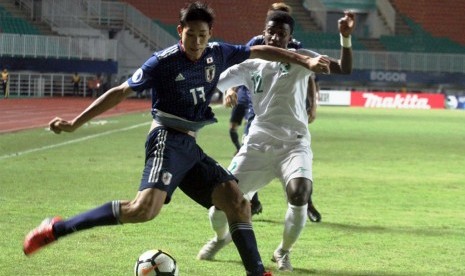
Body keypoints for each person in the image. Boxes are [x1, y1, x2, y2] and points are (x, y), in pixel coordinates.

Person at [22, 2, 330, 276]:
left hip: (190, 146)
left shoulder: (218, 53)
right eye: (190, 34)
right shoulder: (162, 62)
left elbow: (262, 50)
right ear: (179, 31)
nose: (196, 42)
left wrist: (305, 61)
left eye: (202, 35)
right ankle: (56, 229)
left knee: (237, 202)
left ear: (210, 34)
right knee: (143, 210)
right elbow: (120, 92)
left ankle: (258, 272)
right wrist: (75, 124)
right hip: (166, 139)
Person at [197, 10, 354, 271]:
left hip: (294, 144)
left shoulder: (303, 60)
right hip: (258, 143)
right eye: (271, 31)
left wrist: (345, 38)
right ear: (264, 32)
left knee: (300, 193)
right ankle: (221, 237)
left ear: (290, 37)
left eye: (281, 33)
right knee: (219, 206)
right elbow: (214, 83)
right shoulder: (250, 64)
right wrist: (225, 86)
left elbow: (344, 68)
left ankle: (283, 251)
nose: (274, 36)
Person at [243, 2, 322, 222]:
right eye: (273, 26)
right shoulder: (256, 43)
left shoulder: (297, 46)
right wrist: (231, 89)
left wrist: (312, 105)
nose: (277, 35)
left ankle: (305, 203)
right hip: (257, 110)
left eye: (283, 29)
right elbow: (237, 65)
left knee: (298, 161)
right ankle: (252, 201)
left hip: (289, 113)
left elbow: (309, 75)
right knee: (249, 154)